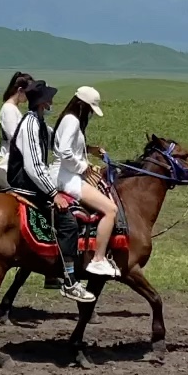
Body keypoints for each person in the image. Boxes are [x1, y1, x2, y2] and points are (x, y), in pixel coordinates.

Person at [8, 80, 94, 302]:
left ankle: (52, 271)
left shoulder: (37, 122)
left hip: (32, 181)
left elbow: (55, 140)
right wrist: (53, 193)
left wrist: (88, 149)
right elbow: (34, 166)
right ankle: (68, 279)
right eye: (49, 98)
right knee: (67, 221)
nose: (52, 101)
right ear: (43, 103)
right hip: (26, 184)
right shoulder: (30, 125)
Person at [53, 85, 120, 278]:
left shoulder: (69, 119)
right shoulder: (72, 121)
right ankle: (98, 259)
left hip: (69, 172)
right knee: (110, 209)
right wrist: (85, 168)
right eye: (90, 109)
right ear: (83, 106)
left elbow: (70, 148)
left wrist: (90, 150)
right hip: (65, 176)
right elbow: (65, 152)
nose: (91, 114)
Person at [0, 71, 33, 192]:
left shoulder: (13, 108)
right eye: (27, 92)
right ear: (20, 90)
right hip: (9, 159)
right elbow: (14, 137)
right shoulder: (9, 109)